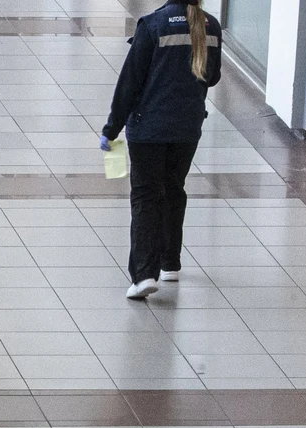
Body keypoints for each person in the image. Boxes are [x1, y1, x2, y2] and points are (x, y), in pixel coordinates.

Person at [102, 0, 221, 300]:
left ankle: (144, 275)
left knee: (145, 195)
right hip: (187, 128)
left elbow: (129, 84)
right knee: (173, 188)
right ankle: (170, 263)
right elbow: (213, 76)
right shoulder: (211, 27)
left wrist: (111, 129)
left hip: (149, 130)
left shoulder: (152, 26)